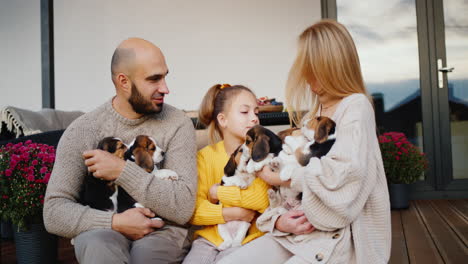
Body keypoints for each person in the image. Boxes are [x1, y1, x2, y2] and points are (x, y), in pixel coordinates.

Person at [218, 19, 391, 264]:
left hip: (338, 239)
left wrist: (280, 177)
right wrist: (278, 220)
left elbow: (345, 176)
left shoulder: (356, 106)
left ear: (334, 68)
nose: (309, 82)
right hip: (298, 232)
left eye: (315, 73)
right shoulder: (315, 113)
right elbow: (289, 189)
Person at [43, 38, 198, 264]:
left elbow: (183, 207)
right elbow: (54, 212)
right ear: (124, 81)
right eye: (154, 79)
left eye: (165, 76)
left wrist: (122, 170)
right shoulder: (82, 131)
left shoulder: (177, 124)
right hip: (101, 229)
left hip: (163, 231)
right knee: (99, 247)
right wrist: (114, 222)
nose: (165, 88)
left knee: (146, 257)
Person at [182, 84, 270, 263]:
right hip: (209, 239)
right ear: (223, 120)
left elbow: (261, 200)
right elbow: (194, 210)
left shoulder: (262, 156)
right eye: (245, 112)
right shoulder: (205, 157)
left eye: (256, 112)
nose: (254, 118)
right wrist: (234, 213)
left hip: (248, 239)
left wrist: (217, 193)